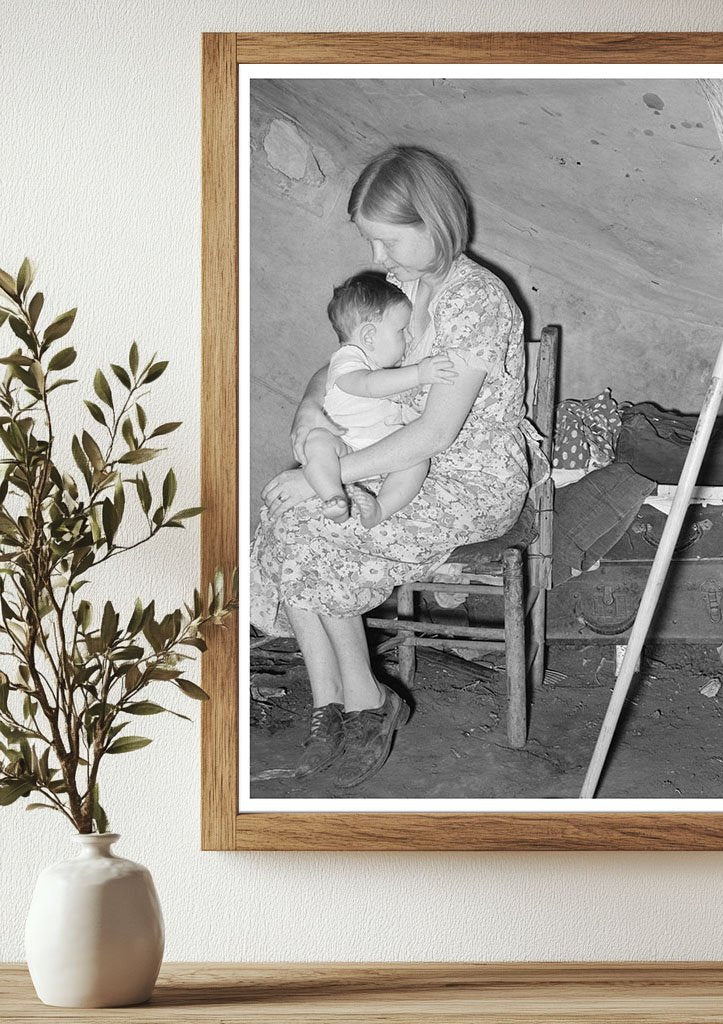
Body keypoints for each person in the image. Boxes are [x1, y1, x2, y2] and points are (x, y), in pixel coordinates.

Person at [250, 145, 529, 787]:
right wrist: (309, 411)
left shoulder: (477, 301)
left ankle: (366, 704)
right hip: (394, 458)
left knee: (325, 526)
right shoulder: (400, 287)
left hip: (466, 477)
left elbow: (436, 433)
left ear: (434, 222)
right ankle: (333, 708)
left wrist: (336, 474)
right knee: (289, 517)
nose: (377, 260)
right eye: (370, 244)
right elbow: (345, 364)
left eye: (387, 242)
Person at [302, 272, 455, 527]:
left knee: (418, 461)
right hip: (343, 442)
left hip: (381, 446)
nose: (408, 339)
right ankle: (333, 498)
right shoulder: (347, 360)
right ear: (369, 337)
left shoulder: (385, 369)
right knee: (316, 443)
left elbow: (400, 410)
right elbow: (368, 386)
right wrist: (419, 374)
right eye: (401, 331)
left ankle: (381, 508)